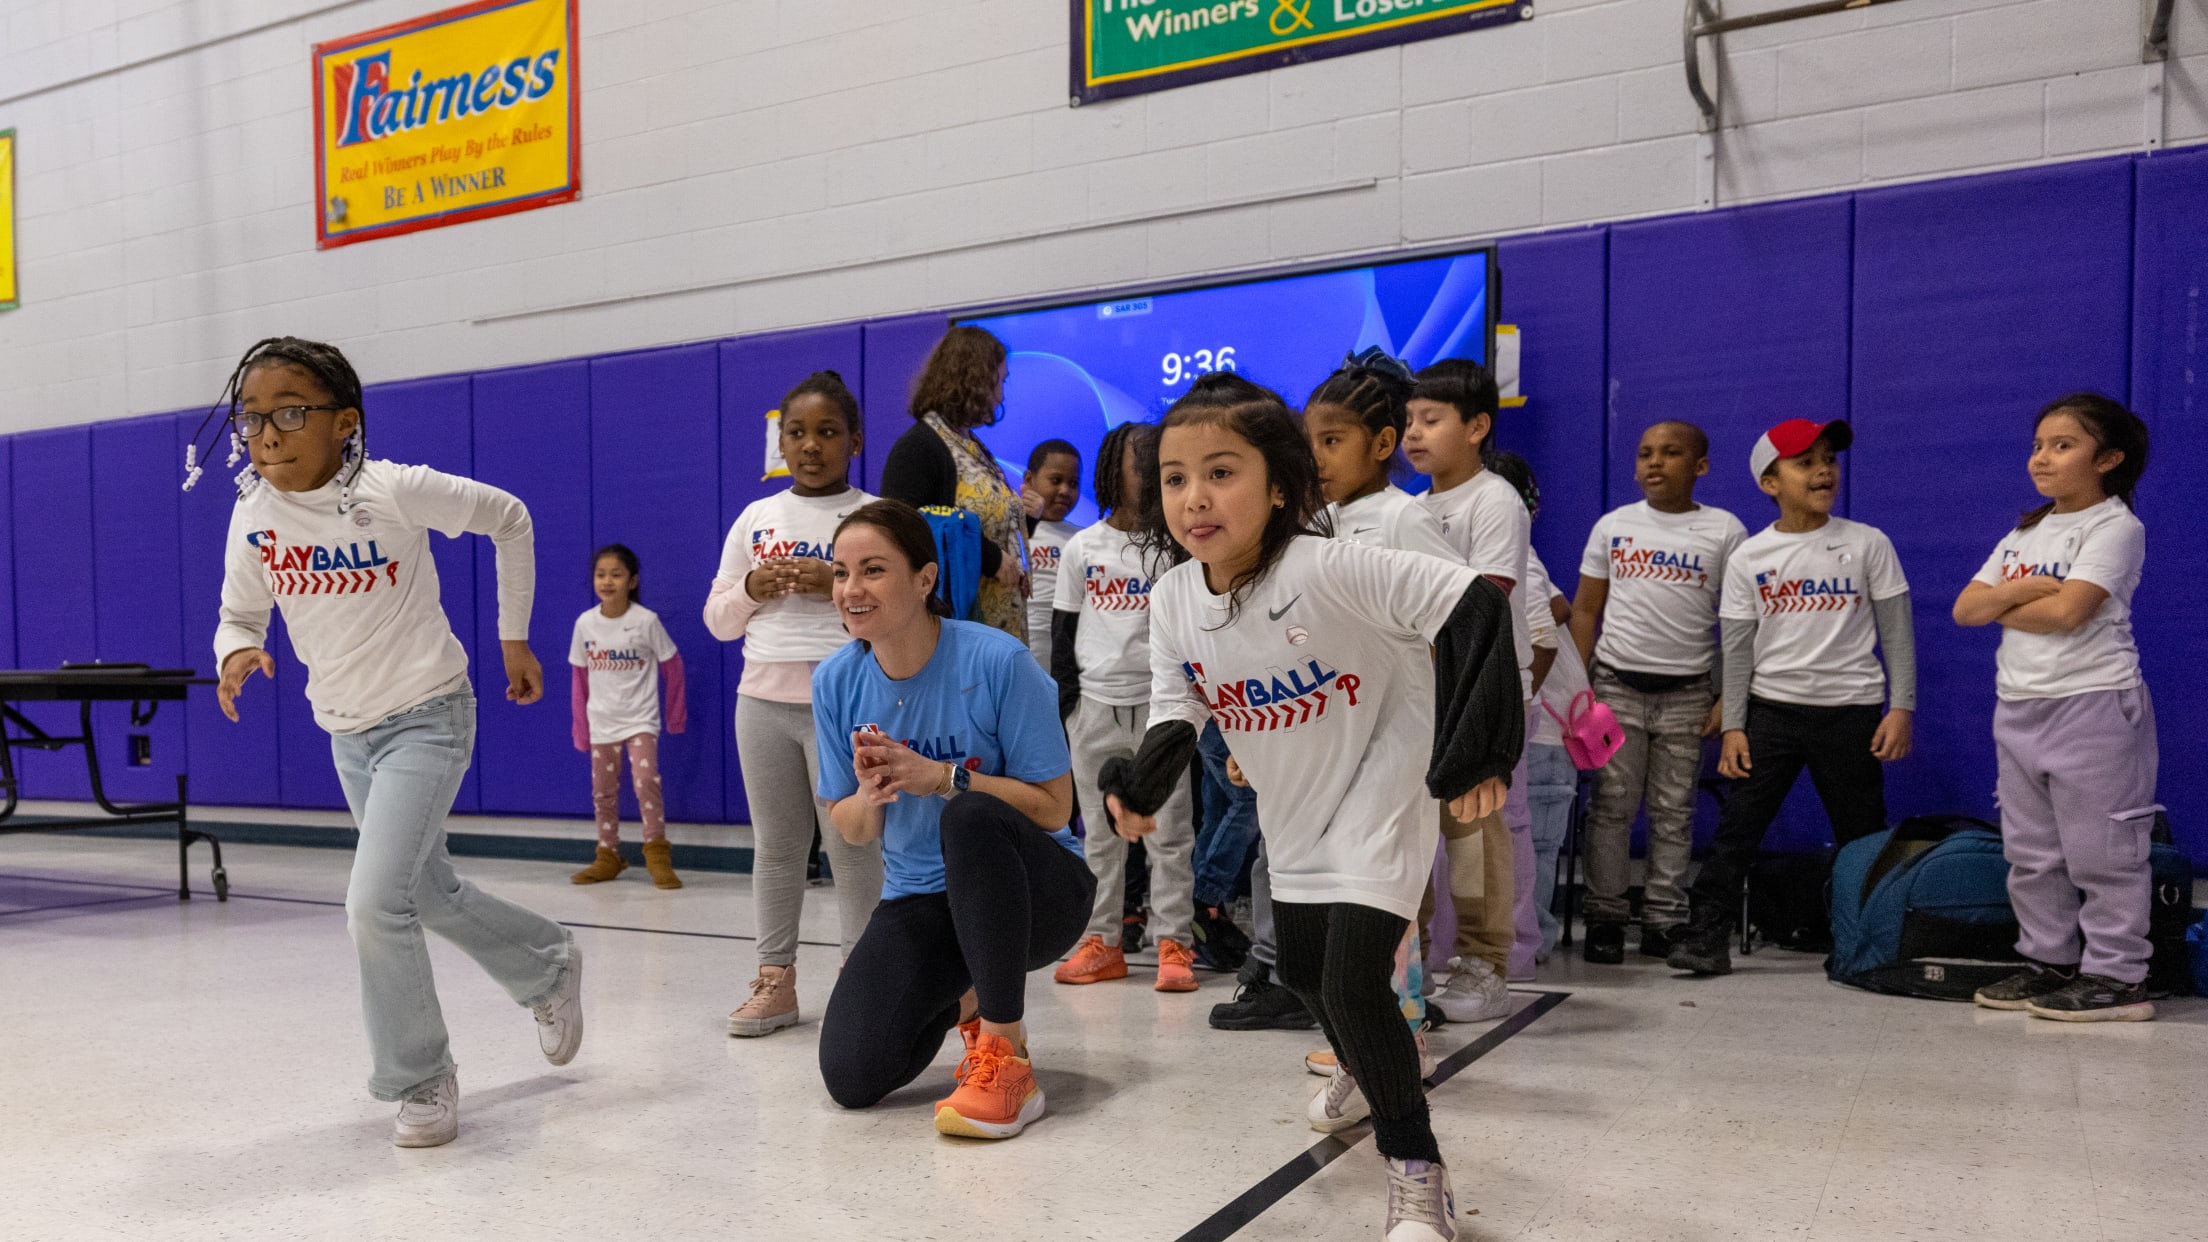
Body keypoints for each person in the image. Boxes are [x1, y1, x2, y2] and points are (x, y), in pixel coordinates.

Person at [1101, 372, 1522, 1242]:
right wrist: (1139, 785)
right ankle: (1370, 1069)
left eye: (1222, 472)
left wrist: (1479, 751)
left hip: (1381, 789)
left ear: (1281, 485)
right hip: (1293, 805)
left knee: (1350, 980)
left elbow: (1476, 605)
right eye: (1174, 478)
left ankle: (1418, 1174)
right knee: (1298, 968)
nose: (1193, 497)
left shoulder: (1331, 565)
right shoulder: (1176, 596)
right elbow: (1179, 707)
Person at [193, 336, 578, 1149]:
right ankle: (545, 963)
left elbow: (511, 518)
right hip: (347, 735)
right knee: (426, 892)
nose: (268, 433)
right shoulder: (253, 516)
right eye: (251, 418)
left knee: (373, 903)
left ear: (345, 423)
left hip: (429, 716)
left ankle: (420, 1077)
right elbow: (240, 611)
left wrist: (514, 637)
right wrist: (235, 652)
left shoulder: (393, 491)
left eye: (290, 412)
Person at [812, 500, 1091, 1141]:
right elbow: (851, 829)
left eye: (874, 570)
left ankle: (1005, 1054)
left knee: (965, 816)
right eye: (840, 573)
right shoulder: (835, 682)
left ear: (925, 579)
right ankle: (965, 994)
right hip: (924, 899)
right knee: (852, 1076)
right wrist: (870, 793)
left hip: (1039, 894)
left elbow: (1054, 808)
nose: (852, 590)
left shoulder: (998, 662)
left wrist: (941, 777)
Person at [1667, 419, 1915, 976]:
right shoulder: (1750, 557)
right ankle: (1706, 936)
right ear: (1769, 482)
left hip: (1850, 712)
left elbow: (1897, 631)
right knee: (1738, 831)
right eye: (1805, 462)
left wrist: (1902, 706)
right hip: (1771, 712)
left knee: (1862, 836)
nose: (1824, 470)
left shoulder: (1867, 543)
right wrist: (1734, 724)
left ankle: (1863, 943)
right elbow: (1736, 648)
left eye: (1828, 459)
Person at [1956, 395, 2158, 1022]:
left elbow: (2071, 612)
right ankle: (2050, 961)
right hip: (2018, 707)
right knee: (2032, 852)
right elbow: (1966, 609)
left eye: (2063, 445)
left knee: (2104, 851)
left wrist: (2002, 604)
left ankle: (2117, 978)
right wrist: (2020, 591)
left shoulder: (2114, 527)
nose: (2042, 457)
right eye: (2039, 444)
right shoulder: (2024, 533)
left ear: (2110, 459)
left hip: (2093, 704)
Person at [706, 370, 887, 1037]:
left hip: (844, 703)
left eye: (828, 432)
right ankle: (774, 981)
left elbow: (896, 617)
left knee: (853, 843)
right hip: (761, 701)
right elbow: (719, 620)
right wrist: (753, 587)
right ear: (781, 440)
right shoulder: (757, 518)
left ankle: (864, 982)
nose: (811, 446)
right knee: (778, 845)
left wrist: (834, 585)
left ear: (855, 440)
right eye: (798, 433)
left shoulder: (871, 518)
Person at [1291, 349, 1457, 1072]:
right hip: (1334, 741)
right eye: (1310, 444)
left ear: (1383, 444)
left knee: (1380, 891)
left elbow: (1455, 623)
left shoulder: (1404, 520)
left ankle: (1399, 1027)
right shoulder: (1318, 523)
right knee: (1338, 892)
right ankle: (1363, 1025)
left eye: (1333, 441)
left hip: (1396, 741)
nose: (1317, 458)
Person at [1567, 422, 1746, 964]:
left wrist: (1726, 698)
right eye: (1645, 453)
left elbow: (1738, 624)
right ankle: (1605, 914)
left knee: (1674, 810)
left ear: (1701, 467)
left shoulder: (1725, 531)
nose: (1655, 463)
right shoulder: (1614, 526)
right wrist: (1583, 687)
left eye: (1671, 454)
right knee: (1611, 806)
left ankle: (1665, 918)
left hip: (1689, 692)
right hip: (1616, 685)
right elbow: (1586, 609)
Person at [1403, 358, 1535, 1017]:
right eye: (1408, 421)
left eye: (1431, 420)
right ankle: (1414, 966)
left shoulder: (1494, 500)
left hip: (1477, 693)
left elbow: (1487, 599)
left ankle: (1485, 964)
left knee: (1475, 834)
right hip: (1422, 697)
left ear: (1478, 425)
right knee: (1416, 837)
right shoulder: (1412, 508)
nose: (1414, 434)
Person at [1049, 423, 1201, 993]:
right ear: (1114, 469)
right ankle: (1101, 941)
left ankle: (1174, 943)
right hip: (1094, 707)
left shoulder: (1175, 547)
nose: (1157, 471)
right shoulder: (1082, 548)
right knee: (1099, 837)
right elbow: (1063, 636)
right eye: (1147, 461)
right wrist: (1070, 709)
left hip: (1161, 711)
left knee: (1170, 832)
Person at [1483, 451, 1578, 962]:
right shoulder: (1522, 557)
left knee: (1528, 842)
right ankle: (1520, 945)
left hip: (1538, 735)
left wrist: (1511, 709)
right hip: (1534, 730)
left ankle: (1523, 947)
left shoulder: (1522, 560)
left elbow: (1545, 635)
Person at [880, 326, 1029, 639]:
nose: (1001, 395)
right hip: (956, 628)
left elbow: (993, 523)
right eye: (998, 381)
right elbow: (905, 531)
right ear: (973, 379)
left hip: (997, 625)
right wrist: (991, 558)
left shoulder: (969, 446)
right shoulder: (919, 447)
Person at [568, 543, 688, 889]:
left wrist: (674, 716)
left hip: (640, 720)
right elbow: (579, 680)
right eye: (601, 574)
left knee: (646, 781)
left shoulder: (645, 621)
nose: (607, 581)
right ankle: (608, 855)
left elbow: (673, 666)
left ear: (632, 580)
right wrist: (581, 728)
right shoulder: (585, 624)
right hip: (602, 721)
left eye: (616, 574)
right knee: (602, 792)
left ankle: (657, 854)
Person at [1022, 439, 1082, 670]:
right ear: (1029, 480)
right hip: (1019, 645)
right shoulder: (1012, 530)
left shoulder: (1083, 539)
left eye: (1074, 483)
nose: (1065, 491)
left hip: (1068, 654)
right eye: (1055, 481)